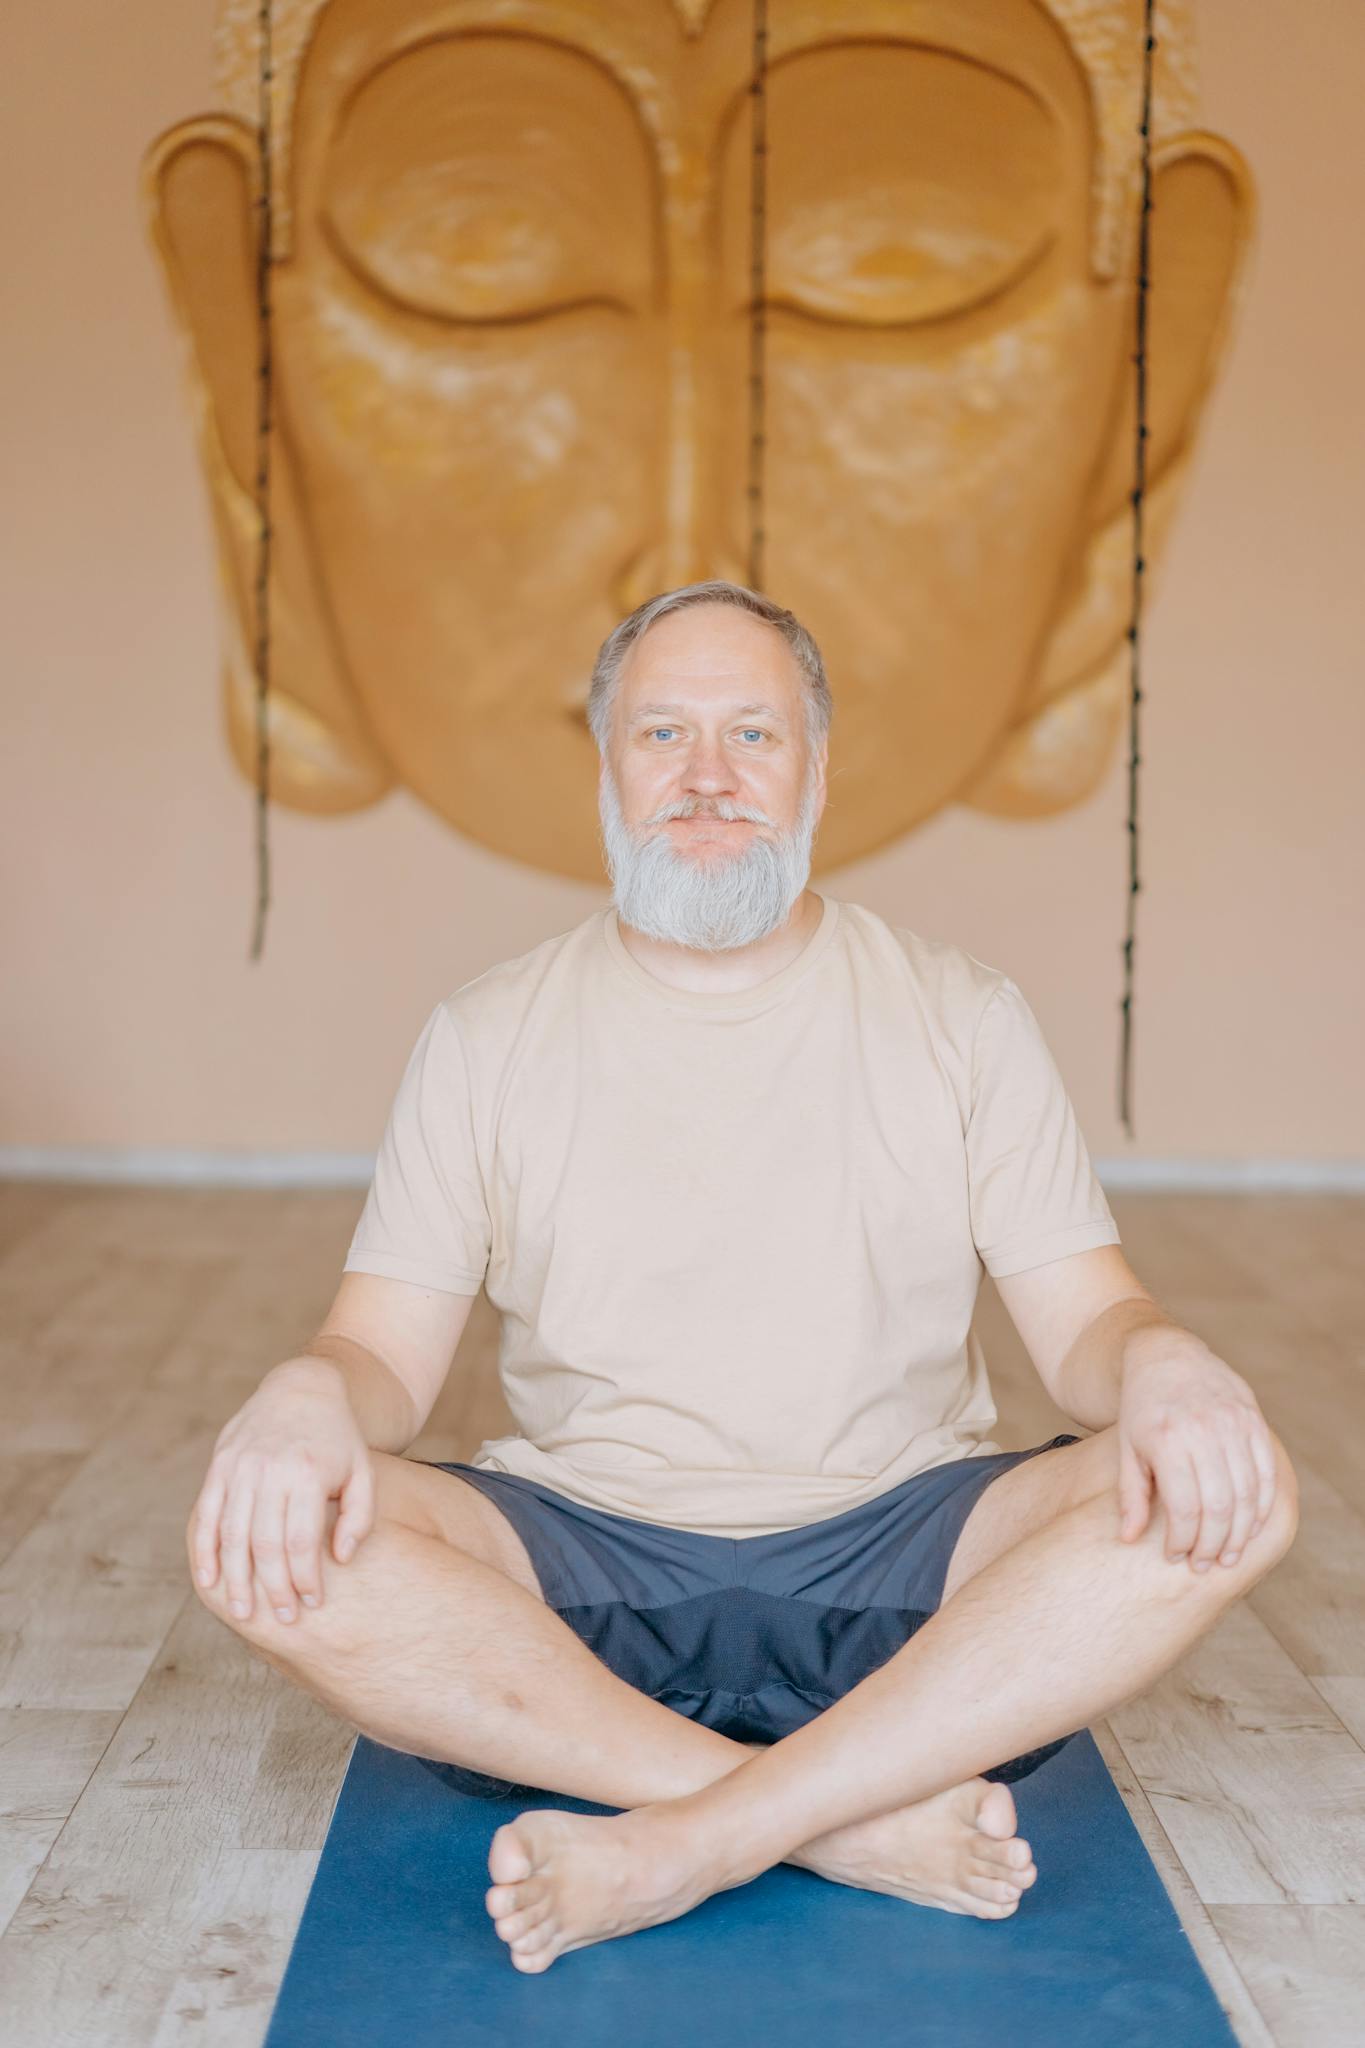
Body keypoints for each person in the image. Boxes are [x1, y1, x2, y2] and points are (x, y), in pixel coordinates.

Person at [188, 582, 1297, 1975]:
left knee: (1235, 1492)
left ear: (815, 771)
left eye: (751, 736)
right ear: (606, 768)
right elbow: (386, 1368)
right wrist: (304, 1389)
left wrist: (1166, 1360)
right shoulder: (484, 1034)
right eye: (661, 733)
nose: (705, 776)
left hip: (905, 1552)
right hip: (579, 1557)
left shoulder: (960, 1013)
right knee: (269, 1541)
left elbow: (1088, 1329)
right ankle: (840, 1821)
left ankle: (685, 1835)